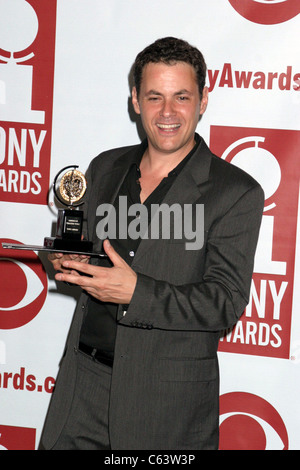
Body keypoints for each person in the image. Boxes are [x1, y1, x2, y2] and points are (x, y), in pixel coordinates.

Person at [39, 37, 264, 450]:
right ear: (135, 101)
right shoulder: (105, 167)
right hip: (81, 387)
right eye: (154, 96)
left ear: (203, 100)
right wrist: (65, 263)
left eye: (181, 97)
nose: (167, 112)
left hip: (165, 404)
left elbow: (225, 302)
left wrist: (136, 293)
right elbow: (83, 266)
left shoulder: (235, 192)